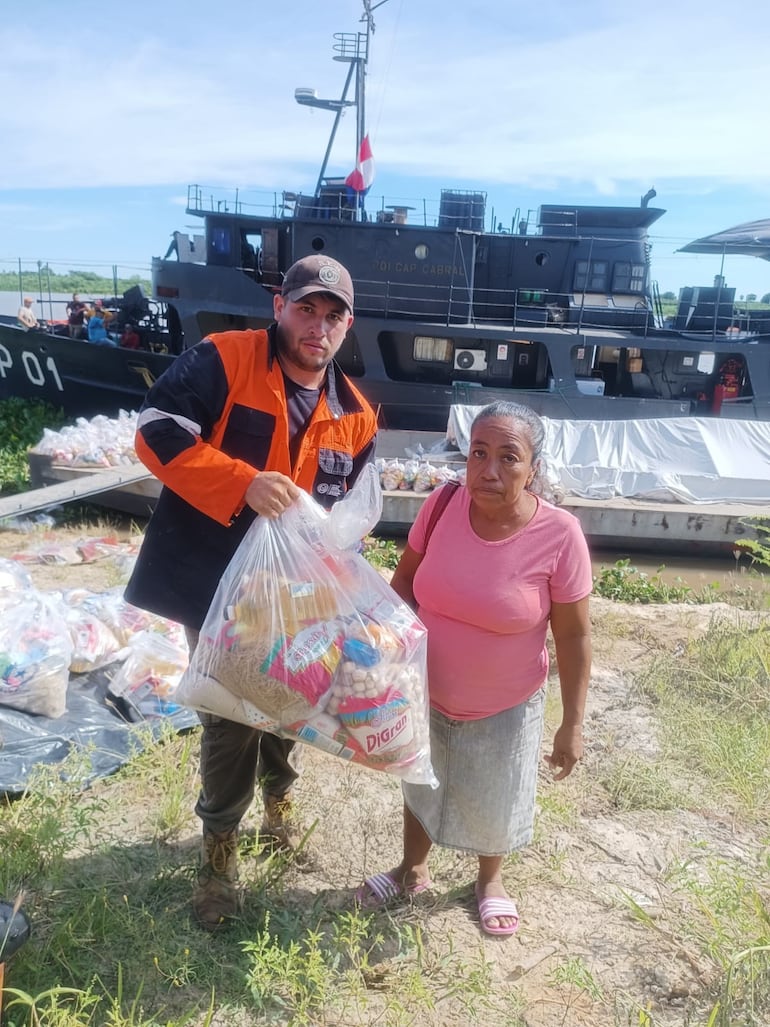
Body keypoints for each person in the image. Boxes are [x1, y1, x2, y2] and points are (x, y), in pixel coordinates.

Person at [124, 254, 378, 931]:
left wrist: (350, 564)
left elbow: (352, 504)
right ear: (279, 306)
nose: (317, 327)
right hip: (212, 581)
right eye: (306, 309)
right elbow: (155, 431)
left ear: (348, 325)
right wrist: (240, 481)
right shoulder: (223, 359)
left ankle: (278, 807)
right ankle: (219, 856)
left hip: (295, 594)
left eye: (332, 316)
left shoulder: (357, 413)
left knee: (288, 701)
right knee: (232, 712)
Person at [357, 401, 592, 937]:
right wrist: (376, 656)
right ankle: (411, 869)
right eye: (478, 453)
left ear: (533, 468)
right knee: (418, 780)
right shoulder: (440, 506)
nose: (489, 470)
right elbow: (402, 590)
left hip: (505, 700)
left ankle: (488, 882)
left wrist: (573, 722)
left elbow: (574, 634)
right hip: (423, 687)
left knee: (497, 793)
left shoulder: (560, 535)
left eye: (509, 457)